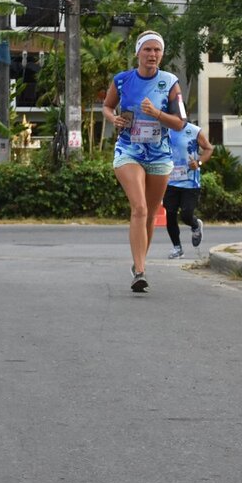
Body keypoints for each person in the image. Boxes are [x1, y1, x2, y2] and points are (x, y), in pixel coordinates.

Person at [102, 31, 186, 292]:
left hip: (160, 154)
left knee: (150, 213)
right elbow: (106, 106)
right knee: (138, 208)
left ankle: (139, 262)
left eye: (157, 50)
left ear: (162, 54)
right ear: (138, 53)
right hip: (129, 150)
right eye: (147, 50)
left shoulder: (170, 82)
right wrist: (113, 118)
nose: (152, 55)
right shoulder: (123, 80)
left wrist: (156, 113)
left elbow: (181, 122)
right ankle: (140, 271)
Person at [163, 121, 214, 258]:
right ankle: (177, 248)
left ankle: (195, 225)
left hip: (190, 182)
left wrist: (198, 163)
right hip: (170, 181)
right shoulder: (165, 129)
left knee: (186, 215)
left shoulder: (194, 131)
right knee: (170, 215)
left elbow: (209, 148)